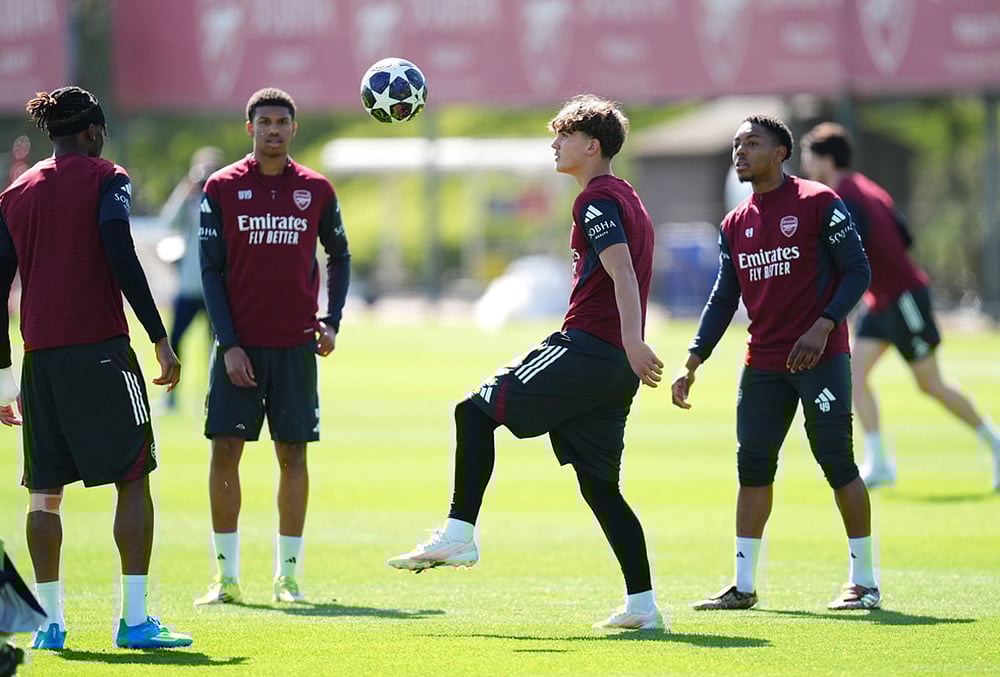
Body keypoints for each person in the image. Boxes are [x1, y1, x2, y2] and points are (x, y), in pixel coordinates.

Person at [387, 94, 667, 632]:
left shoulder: (597, 200)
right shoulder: (627, 196)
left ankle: (459, 535)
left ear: (592, 145)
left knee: (472, 411)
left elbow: (623, 272)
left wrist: (633, 340)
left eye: (563, 135)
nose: (554, 144)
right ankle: (643, 607)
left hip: (588, 349)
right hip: (612, 368)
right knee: (601, 490)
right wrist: (628, 348)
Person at [0, 86, 192, 649]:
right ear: (93, 132)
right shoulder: (108, 176)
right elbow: (119, 249)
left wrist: (3, 377)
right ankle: (134, 623)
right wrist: (160, 337)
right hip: (103, 352)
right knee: (133, 476)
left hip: (41, 362)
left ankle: (49, 627)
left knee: (43, 494)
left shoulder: (16, 193)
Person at [672, 115, 880, 611]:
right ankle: (743, 587)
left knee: (837, 463)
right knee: (753, 468)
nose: (740, 152)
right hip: (762, 363)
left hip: (821, 358)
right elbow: (724, 297)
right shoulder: (734, 223)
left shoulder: (819, 203)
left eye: (752, 143)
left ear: (780, 153)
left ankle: (865, 582)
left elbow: (858, 271)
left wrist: (824, 324)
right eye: (736, 144)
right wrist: (694, 358)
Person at [194, 87, 351, 606]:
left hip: (294, 347)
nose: (274, 130)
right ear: (250, 129)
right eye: (264, 122)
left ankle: (287, 577)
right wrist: (229, 343)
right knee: (225, 454)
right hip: (239, 348)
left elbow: (340, 254)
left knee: (293, 456)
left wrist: (331, 320)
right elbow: (210, 271)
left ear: (294, 129)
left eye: (282, 121)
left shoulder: (317, 189)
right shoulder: (220, 188)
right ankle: (226, 578)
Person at [800, 122, 1000, 490]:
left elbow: (848, 255)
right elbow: (904, 236)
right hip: (881, 302)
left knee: (931, 384)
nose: (806, 165)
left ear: (826, 159)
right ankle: (880, 463)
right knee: (854, 376)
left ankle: (995, 443)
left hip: (904, 299)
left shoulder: (845, 195)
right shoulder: (866, 188)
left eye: (809, 156)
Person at [158, 146, 224, 411]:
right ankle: (172, 395)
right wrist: (185, 190)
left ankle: (214, 395)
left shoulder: (223, 199)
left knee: (216, 346)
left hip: (215, 287)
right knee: (174, 341)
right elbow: (168, 221)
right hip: (188, 285)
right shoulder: (189, 200)